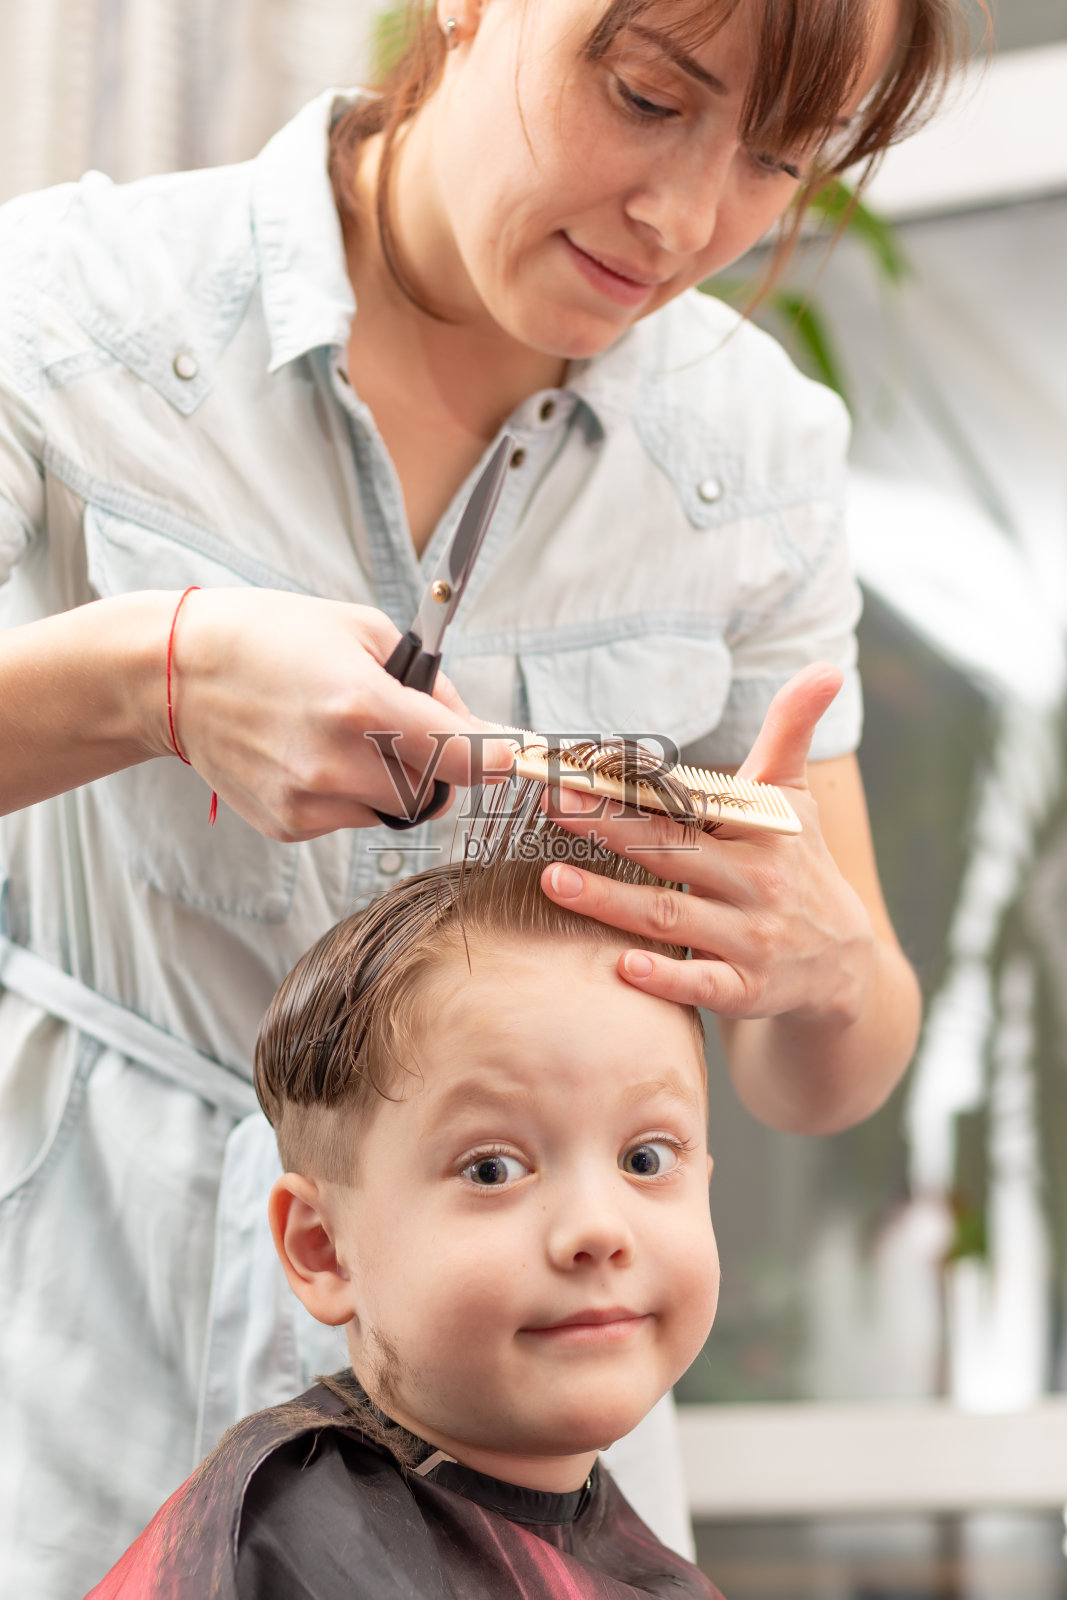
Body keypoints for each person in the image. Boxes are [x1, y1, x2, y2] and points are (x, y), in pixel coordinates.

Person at [0, 0, 971, 1591]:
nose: (684, 219)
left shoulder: (750, 455)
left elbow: (821, 1074)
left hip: (528, 1450)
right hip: (96, 1328)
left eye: (774, 159)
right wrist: (149, 679)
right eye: (645, 94)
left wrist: (826, 962)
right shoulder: (74, 308)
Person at [89, 791, 726, 1599]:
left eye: (644, 1158)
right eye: (492, 1169)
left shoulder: (640, 1561)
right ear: (322, 1247)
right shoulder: (289, 1551)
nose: (597, 1229)